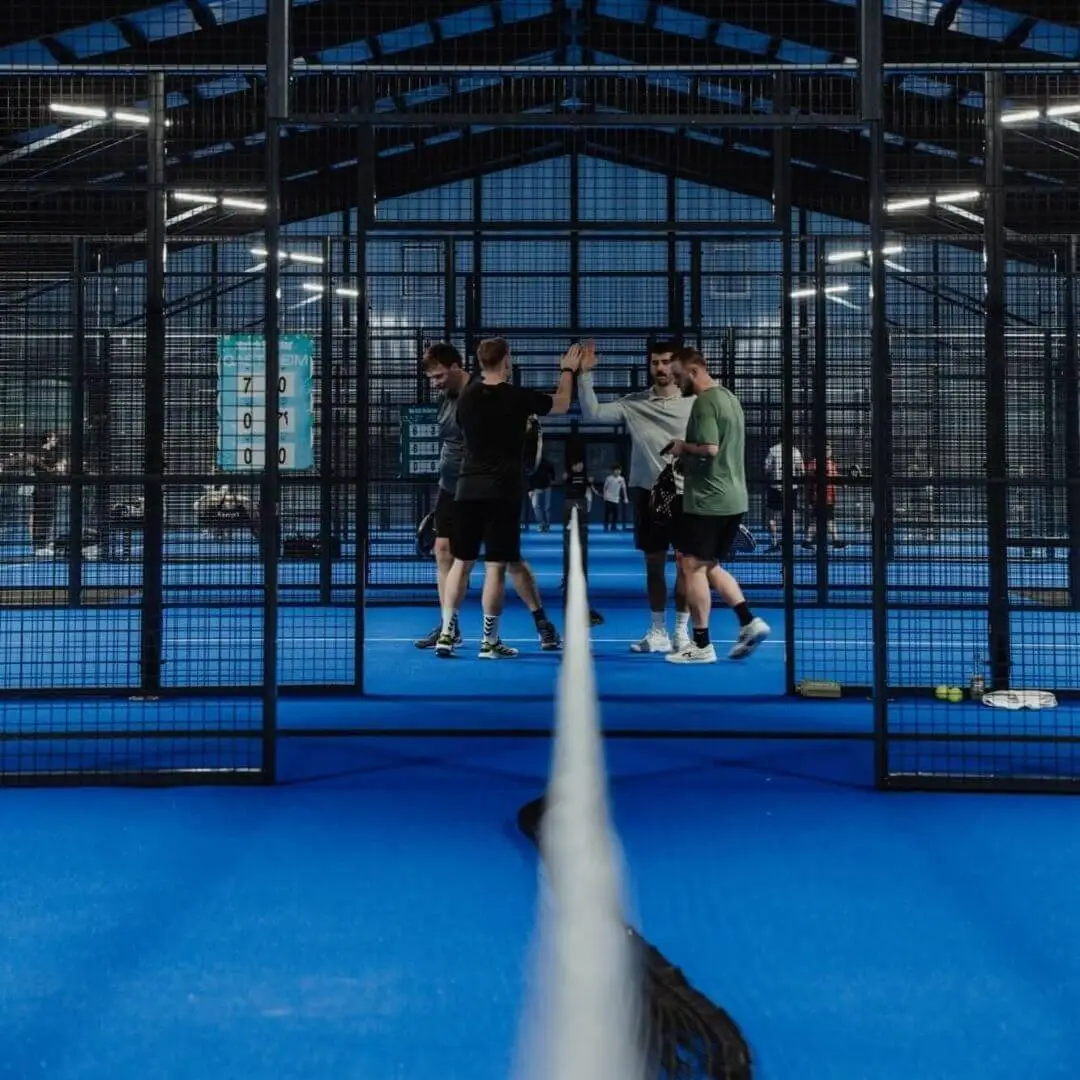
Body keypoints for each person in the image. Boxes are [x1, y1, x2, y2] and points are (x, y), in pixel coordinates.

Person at [435, 337, 578, 659]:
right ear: (506, 359)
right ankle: (490, 641)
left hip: (466, 489)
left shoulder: (467, 398)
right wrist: (567, 370)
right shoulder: (518, 398)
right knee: (496, 567)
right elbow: (563, 402)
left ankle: (446, 633)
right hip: (503, 491)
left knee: (461, 561)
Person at [578, 338, 696, 653]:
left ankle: (681, 633)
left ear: (677, 364)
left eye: (666, 361)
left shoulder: (696, 403)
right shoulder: (633, 404)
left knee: (686, 567)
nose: (660, 367)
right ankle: (657, 631)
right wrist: (584, 375)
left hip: (689, 495)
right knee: (654, 566)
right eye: (655, 362)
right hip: (648, 495)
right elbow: (592, 413)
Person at [664, 347, 770, 664]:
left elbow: (710, 449)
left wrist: (682, 447)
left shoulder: (705, 402)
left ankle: (701, 645)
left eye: (679, 375)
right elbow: (720, 452)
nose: (676, 381)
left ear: (693, 372)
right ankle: (749, 621)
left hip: (709, 500)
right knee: (709, 566)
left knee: (691, 566)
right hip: (734, 499)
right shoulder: (729, 398)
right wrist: (688, 463)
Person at [763, 432, 804, 552]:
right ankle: (789, 542)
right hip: (791, 488)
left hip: (775, 486)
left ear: (778, 437)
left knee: (771, 516)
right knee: (790, 516)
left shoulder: (773, 450)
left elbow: (766, 469)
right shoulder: (795, 451)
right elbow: (801, 469)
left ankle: (774, 542)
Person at [802, 441, 847, 549]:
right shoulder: (814, 463)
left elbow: (834, 477)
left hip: (829, 497)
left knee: (826, 519)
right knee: (823, 519)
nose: (829, 451)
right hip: (819, 496)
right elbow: (808, 477)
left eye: (829, 449)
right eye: (827, 449)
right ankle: (833, 540)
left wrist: (842, 483)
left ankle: (808, 541)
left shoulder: (831, 463)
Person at [528, 455, 556, 532]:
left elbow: (552, 471)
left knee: (547, 508)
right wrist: (530, 490)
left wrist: (552, 480)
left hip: (546, 487)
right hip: (536, 488)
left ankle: (547, 525)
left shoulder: (546, 463)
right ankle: (542, 523)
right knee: (535, 506)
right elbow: (530, 477)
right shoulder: (532, 464)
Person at [601, 464, 628, 531]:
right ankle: (606, 526)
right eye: (616, 470)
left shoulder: (621, 479)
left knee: (615, 514)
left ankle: (613, 526)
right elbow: (605, 488)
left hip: (616, 499)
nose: (618, 472)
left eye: (619, 470)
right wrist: (604, 496)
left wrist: (625, 497)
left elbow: (624, 488)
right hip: (608, 498)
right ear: (613, 471)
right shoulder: (609, 478)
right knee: (607, 513)